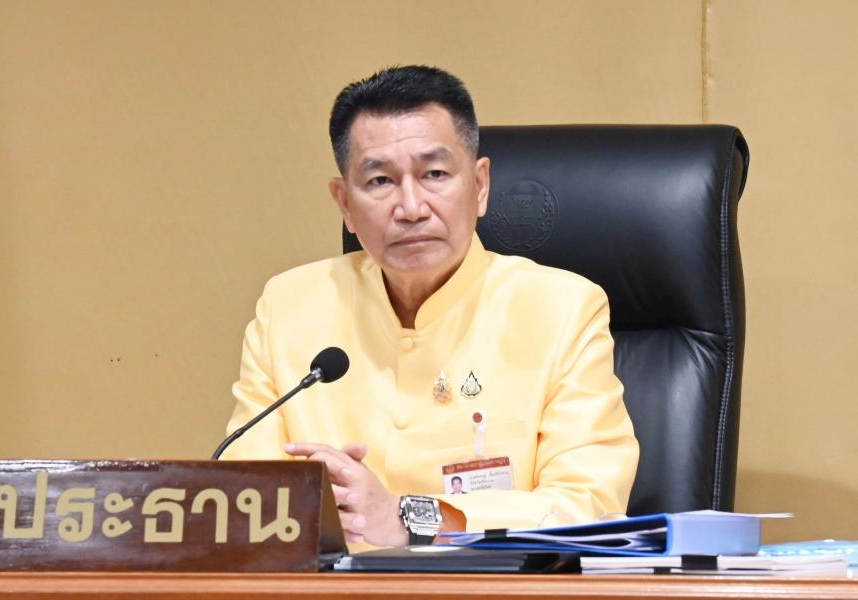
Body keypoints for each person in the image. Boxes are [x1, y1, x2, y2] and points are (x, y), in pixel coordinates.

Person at [224, 65, 639, 547]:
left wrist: (409, 517)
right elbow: (244, 500)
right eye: (380, 180)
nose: (411, 208)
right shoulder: (288, 307)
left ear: (480, 186)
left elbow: (588, 505)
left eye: (435, 174)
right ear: (344, 204)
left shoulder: (562, 310)